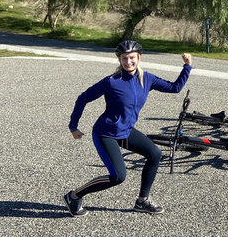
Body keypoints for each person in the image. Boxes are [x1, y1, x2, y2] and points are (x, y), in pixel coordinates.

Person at [63, 40, 192, 217]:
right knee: (118, 176)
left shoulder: (147, 79)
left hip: (126, 131)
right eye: (124, 58)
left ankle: (142, 201)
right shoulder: (111, 81)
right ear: (119, 60)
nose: (128, 62)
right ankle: (74, 196)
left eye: (132, 57)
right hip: (105, 133)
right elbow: (83, 98)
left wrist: (187, 67)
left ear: (139, 58)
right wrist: (73, 126)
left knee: (155, 154)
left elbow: (175, 88)